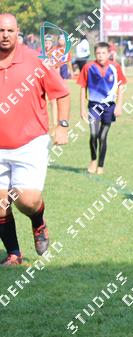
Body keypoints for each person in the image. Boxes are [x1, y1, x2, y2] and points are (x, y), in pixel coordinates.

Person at [0, 13, 70, 266]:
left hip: (30, 143)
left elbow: (62, 93)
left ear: (17, 32)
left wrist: (62, 125)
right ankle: (14, 254)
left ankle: (38, 222)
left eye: (9, 30)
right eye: (0, 30)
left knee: (27, 201)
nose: (4, 35)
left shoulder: (34, 61)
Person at [78, 42, 127, 175]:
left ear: (108, 53)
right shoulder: (88, 67)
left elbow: (121, 86)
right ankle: (93, 160)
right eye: (98, 53)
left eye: (103, 53)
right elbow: (82, 88)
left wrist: (119, 105)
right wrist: (82, 109)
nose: (100, 56)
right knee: (93, 134)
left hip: (109, 106)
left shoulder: (115, 67)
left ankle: (101, 165)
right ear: (95, 54)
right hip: (94, 106)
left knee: (103, 136)